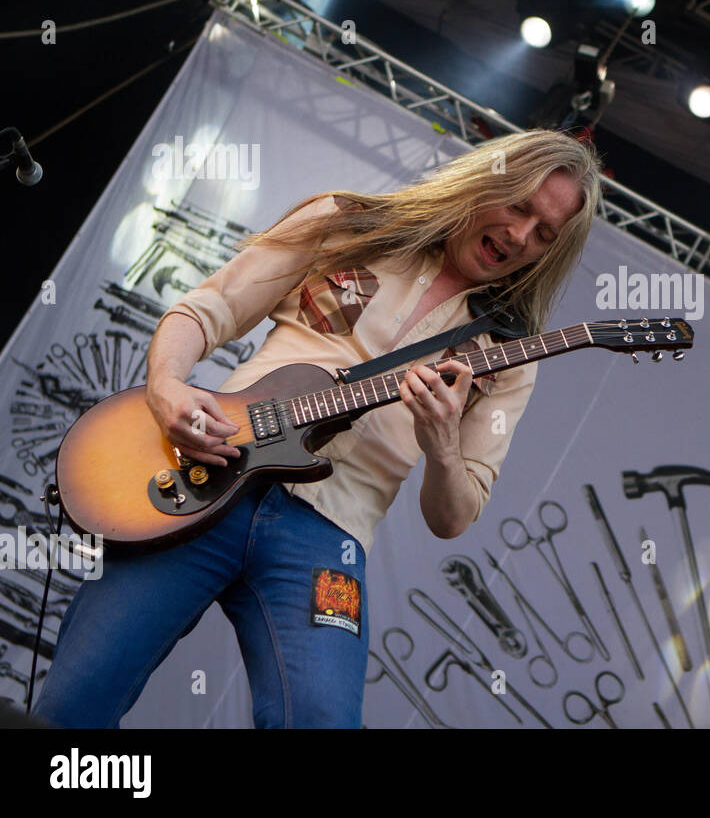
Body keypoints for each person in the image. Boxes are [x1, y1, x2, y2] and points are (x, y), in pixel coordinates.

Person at [34, 129, 604, 728]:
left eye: (545, 234)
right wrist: (168, 387)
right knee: (75, 700)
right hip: (211, 477)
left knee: (322, 721)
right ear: (486, 179)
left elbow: (453, 516)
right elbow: (208, 309)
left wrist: (441, 447)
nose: (520, 236)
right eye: (518, 206)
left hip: (328, 539)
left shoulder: (512, 351)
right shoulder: (349, 222)